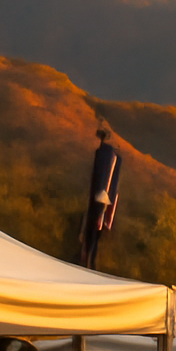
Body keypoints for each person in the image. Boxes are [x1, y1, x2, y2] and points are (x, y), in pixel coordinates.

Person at [77, 115, 122, 269]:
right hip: (97, 204)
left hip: (97, 206)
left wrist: (101, 214)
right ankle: (89, 262)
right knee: (91, 241)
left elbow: (104, 184)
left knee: (91, 240)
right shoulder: (108, 156)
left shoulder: (106, 156)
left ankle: (88, 263)